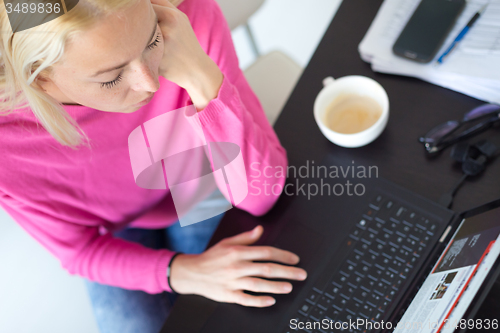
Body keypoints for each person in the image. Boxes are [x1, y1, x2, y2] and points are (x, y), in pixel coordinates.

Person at [0, 0, 307, 332]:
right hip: (107, 228)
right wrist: (183, 271)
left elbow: (262, 194)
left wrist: (200, 75)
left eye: (152, 42)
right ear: (39, 78)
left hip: (193, 177)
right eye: (111, 78)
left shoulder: (183, 17)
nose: (150, 83)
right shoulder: (8, 141)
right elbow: (80, 251)